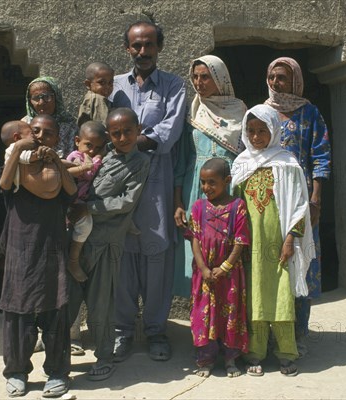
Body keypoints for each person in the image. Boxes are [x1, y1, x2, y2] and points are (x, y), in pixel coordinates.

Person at [111, 20, 186, 362]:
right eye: (136, 46)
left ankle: (156, 331)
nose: (142, 51)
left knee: (157, 258)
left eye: (149, 45)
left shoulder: (174, 86)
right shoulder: (113, 87)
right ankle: (123, 331)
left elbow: (168, 135)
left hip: (156, 185)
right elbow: (100, 129)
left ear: (159, 46)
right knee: (122, 258)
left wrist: (131, 142)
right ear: (127, 48)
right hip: (118, 185)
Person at [231, 104, 315, 377]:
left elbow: (300, 206)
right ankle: (254, 353)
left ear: (274, 131)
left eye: (262, 131)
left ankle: (287, 354)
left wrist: (291, 239)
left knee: (281, 298)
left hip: (279, 245)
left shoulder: (287, 164)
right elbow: (234, 206)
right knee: (254, 297)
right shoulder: (241, 163)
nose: (256, 137)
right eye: (251, 131)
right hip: (250, 247)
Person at [0, 114, 77, 398]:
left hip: (52, 246)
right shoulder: (16, 165)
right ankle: (17, 372)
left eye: (49, 132)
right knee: (18, 310)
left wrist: (56, 160)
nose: (42, 135)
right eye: (36, 130)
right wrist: (18, 150)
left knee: (55, 309)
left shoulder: (55, 169)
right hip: (19, 247)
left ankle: (57, 372)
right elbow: (4, 185)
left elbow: (71, 190)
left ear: (57, 138)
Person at [67, 108, 150, 381]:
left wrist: (88, 208)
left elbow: (126, 202)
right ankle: (59, 357)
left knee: (101, 303)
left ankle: (104, 356)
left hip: (106, 242)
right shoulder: (103, 155)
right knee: (67, 300)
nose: (123, 137)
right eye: (116, 133)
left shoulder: (139, 163)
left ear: (138, 130)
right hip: (78, 239)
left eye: (128, 131)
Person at [265, 57, 332, 356]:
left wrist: (316, 199)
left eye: (282, 77)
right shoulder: (261, 112)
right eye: (271, 76)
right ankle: (267, 332)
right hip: (268, 198)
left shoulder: (310, 114)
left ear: (296, 80)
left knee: (300, 262)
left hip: (301, 199)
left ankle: (298, 331)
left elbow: (321, 156)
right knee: (269, 262)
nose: (276, 82)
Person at [173, 55, 247, 298]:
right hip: (196, 187)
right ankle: (202, 315)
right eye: (195, 77)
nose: (198, 82)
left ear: (220, 78)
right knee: (199, 245)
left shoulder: (240, 112)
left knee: (228, 245)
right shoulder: (193, 112)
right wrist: (178, 202)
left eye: (205, 77)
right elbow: (182, 161)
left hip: (230, 187)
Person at [184, 157, 250, 378]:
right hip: (204, 274)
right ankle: (206, 358)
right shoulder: (198, 207)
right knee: (203, 314)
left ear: (227, 180)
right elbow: (194, 239)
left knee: (230, 313)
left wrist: (226, 266)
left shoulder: (237, 206)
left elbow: (241, 241)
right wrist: (203, 268)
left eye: (212, 182)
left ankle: (231, 358)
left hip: (229, 274)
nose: (206, 188)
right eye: (203, 182)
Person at [64, 121, 107, 357]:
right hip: (68, 208)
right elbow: (69, 171)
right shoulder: (73, 156)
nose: (91, 150)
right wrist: (88, 165)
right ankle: (55, 334)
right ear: (77, 142)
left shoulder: (96, 159)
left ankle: (75, 335)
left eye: (97, 147)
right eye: (87, 145)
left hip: (83, 207)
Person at [0, 120, 61, 199]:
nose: (38, 137)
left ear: (57, 140)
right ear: (17, 138)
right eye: (33, 133)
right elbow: (4, 184)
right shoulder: (15, 150)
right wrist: (42, 154)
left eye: (47, 133)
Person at [22, 76, 78, 158]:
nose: (41, 102)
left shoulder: (70, 125)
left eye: (46, 97)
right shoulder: (24, 124)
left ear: (56, 97)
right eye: (36, 98)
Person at [77, 62, 115, 127]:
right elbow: (102, 125)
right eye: (102, 83)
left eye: (110, 83)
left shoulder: (89, 97)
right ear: (88, 84)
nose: (107, 87)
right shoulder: (98, 99)